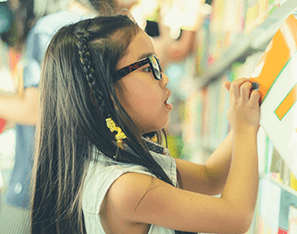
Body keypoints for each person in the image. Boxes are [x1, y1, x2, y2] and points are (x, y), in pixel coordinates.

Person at [31, 14, 261, 234]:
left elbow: (210, 178)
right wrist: (246, 128)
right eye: (147, 67)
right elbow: (237, 216)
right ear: (100, 92)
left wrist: (243, 119)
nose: (165, 77)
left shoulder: (116, 158)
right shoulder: (126, 188)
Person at [0, 0, 102, 233]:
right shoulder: (99, 25)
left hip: (36, 184)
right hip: (82, 184)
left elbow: (33, 110)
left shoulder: (47, 29)